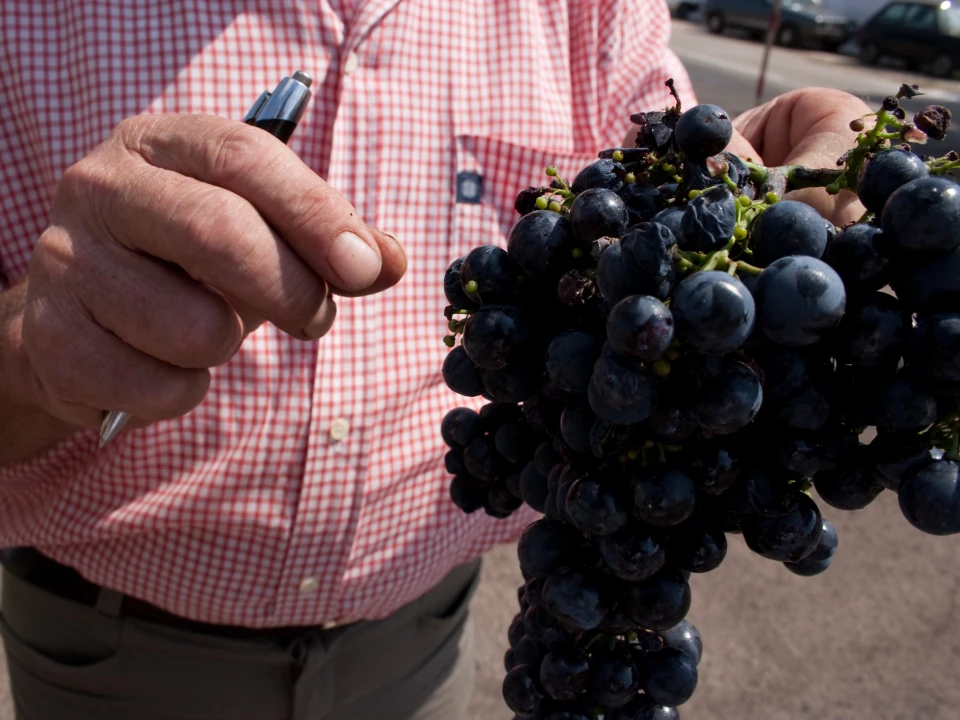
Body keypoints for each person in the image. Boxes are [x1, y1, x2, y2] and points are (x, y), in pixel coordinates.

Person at [0, 1, 869, 718]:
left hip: (423, 654)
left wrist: (759, 194)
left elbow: (678, 194)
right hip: (109, 660)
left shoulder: (593, 10)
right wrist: (33, 356)